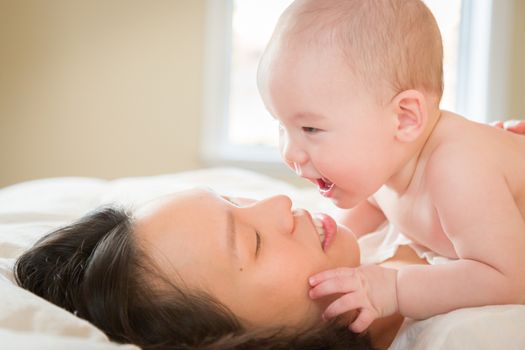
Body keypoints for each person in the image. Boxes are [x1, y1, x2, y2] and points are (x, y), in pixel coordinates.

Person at [256, 0, 525, 333]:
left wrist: (395, 288)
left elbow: (509, 278)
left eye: (310, 129)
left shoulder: (458, 172)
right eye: (281, 125)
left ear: (405, 118)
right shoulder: (380, 170)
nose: (290, 152)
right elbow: (356, 230)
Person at [15, 189, 418, 350]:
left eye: (235, 201)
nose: (279, 202)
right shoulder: (461, 324)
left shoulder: (354, 241)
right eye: (254, 242)